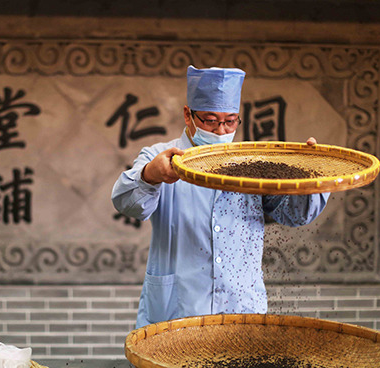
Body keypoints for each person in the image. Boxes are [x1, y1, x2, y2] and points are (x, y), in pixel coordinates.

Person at [111, 65, 330, 328]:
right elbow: (126, 202)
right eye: (210, 120)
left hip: (241, 308)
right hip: (178, 308)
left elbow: (295, 214)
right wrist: (150, 175)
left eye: (230, 121)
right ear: (187, 115)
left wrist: (309, 177)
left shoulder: (254, 165)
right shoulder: (162, 156)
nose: (221, 130)